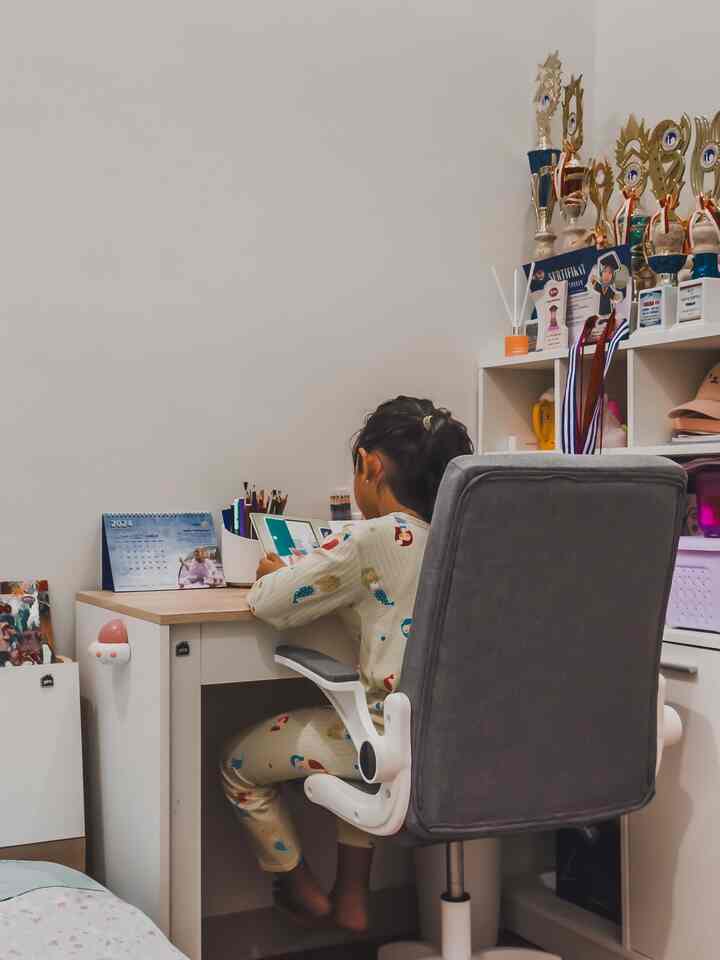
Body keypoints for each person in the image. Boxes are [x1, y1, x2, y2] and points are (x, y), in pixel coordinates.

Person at [220, 397, 473, 933]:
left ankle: (295, 882)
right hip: (464, 739)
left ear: (370, 465)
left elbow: (267, 603)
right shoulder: (465, 537)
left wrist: (270, 569)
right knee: (366, 736)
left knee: (237, 764)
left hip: (391, 742)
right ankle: (353, 893)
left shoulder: (373, 536)